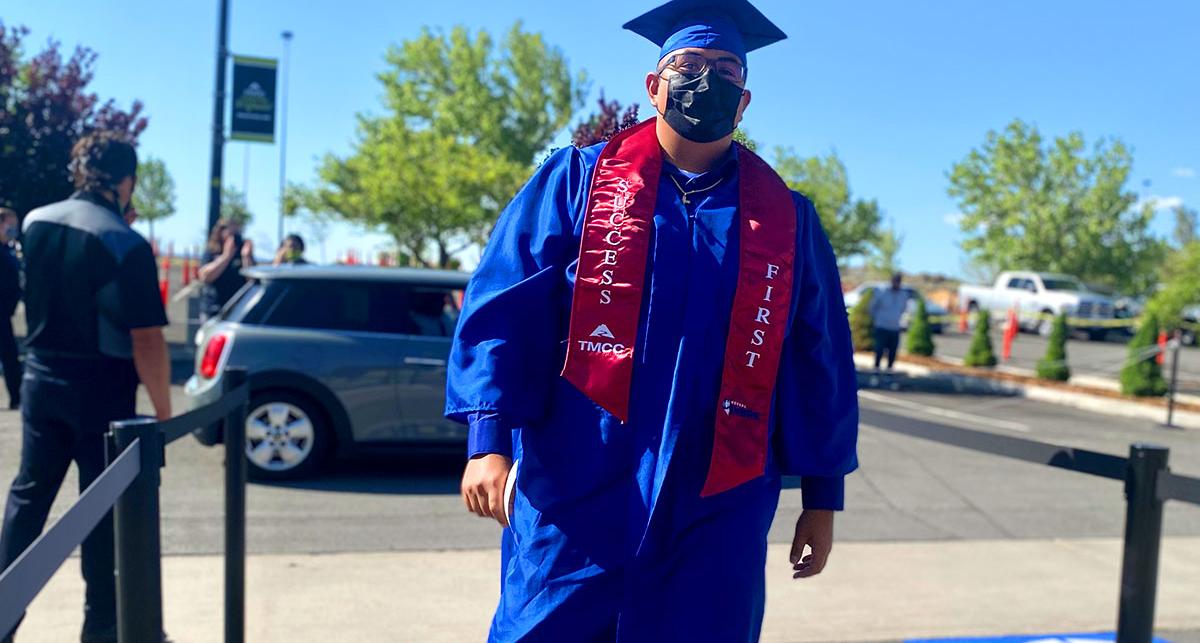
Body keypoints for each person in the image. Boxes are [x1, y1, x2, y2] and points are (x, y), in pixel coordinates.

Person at [446, 1, 859, 639]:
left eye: (726, 70)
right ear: (654, 86)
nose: (706, 81)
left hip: (719, 498)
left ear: (744, 101)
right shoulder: (575, 182)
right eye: (689, 65)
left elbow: (816, 358)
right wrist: (487, 440)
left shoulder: (786, 218)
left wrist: (822, 497)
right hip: (577, 482)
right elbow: (504, 310)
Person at [0, 131, 171, 643]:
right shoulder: (126, 242)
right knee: (100, 511)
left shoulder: (34, 222)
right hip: (101, 390)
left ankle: (3, 616)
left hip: (41, 377)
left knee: (28, 499)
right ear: (127, 180)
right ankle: (100, 628)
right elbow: (147, 340)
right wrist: (163, 414)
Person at [198, 218, 255, 318]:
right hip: (214, 309)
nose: (234, 238)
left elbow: (252, 282)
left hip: (237, 309)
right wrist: (226, 256)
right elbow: (205, 276)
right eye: (231, 234)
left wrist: (246, 257)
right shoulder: (212, 251)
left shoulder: (243, 254)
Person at [0, 208, 22, 409]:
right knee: (9, 357)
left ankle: (16, 398)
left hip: (4, 314)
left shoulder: (9, 249)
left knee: (10, 357)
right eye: (9, 224)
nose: (13, 229)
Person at [869, 272, 910, 371]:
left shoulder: (903, 295)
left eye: (898, 281)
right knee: (879, 349)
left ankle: (889, 370)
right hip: (881, 326)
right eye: (895, 280)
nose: (897, 283)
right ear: (891, 281)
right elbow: (872, 307)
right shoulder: (882, 293)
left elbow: (903, 309)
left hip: (895, 327)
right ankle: (876, 369)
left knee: (893, 351)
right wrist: (877, 319)